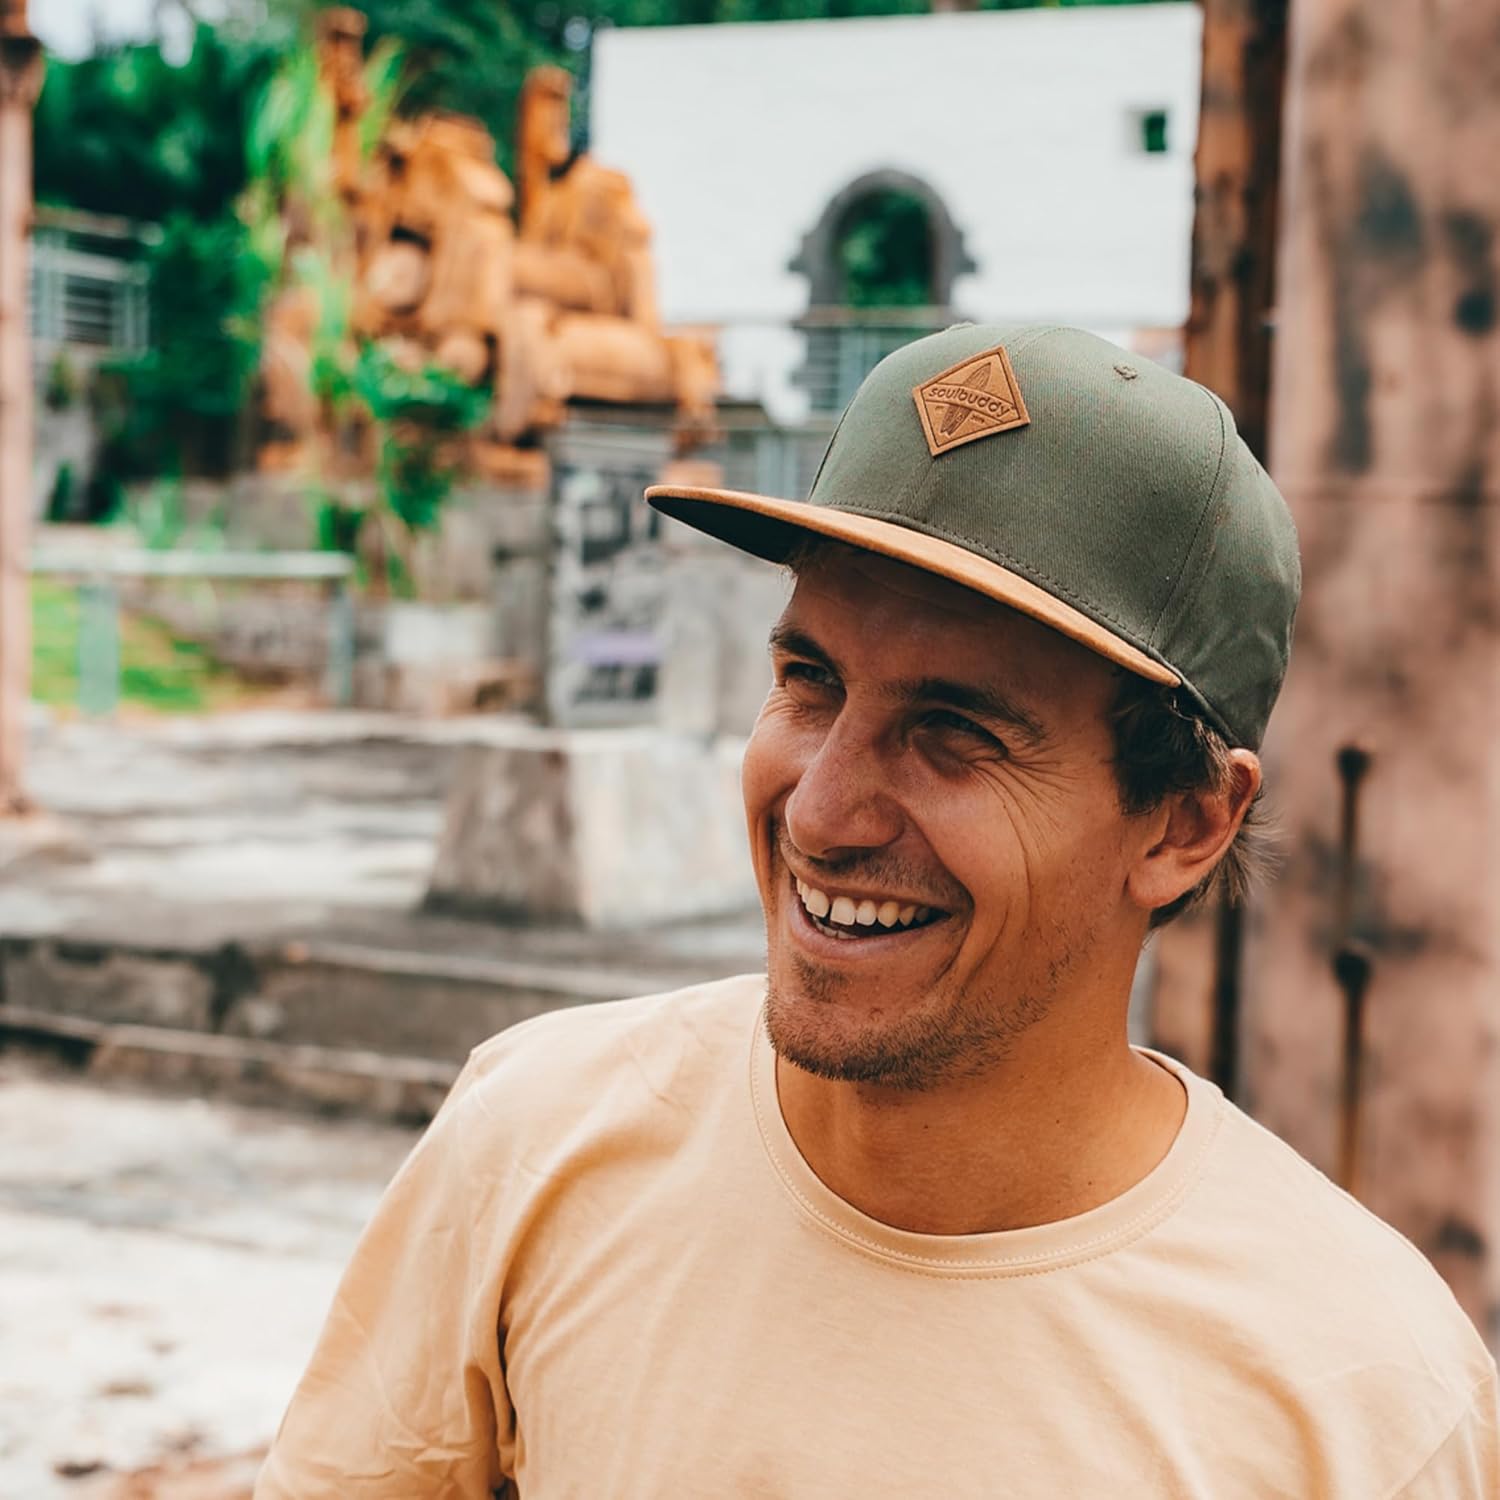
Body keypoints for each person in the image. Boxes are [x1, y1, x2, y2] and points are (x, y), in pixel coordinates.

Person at [256, 325, 1498, 1498]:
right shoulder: (534, 1144)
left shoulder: (1366, 1403)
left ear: (1184, 821)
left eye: (954, 730)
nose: (819, 813)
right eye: (809, 681)